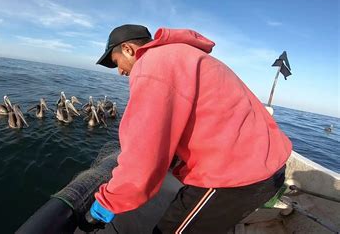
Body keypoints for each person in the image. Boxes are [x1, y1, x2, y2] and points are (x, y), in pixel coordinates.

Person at [86, 24, 292, 233]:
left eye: (116, 62)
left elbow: (143, 154)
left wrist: (107, 203)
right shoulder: (187, 55)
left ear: (129, 49)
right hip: (266, 163)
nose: (120, 72)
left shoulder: (151, 66)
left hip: (236, 174)